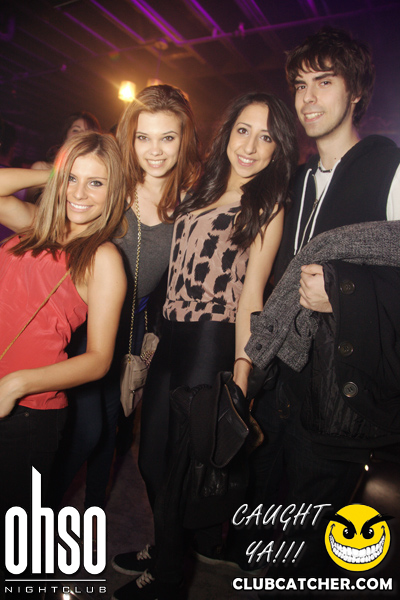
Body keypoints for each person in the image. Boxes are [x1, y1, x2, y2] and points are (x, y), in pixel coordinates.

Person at [111, 91, 298, 600]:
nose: (251, 146)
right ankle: (166, 545)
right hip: (171, 338)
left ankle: (169, 576)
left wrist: (242, 376)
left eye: (266, 137)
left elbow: (252, 296)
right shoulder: (200, 189)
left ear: (278, 148)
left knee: (178, 466)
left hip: (211, 342)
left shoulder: (267, 205)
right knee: (150, 458)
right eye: (243, 130)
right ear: (227, 132)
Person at [241, 27, 400, 580]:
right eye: (300, 85)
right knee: (265, 527)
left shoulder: (388, 166)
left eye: (324, 82)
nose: (307, 98)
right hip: (280, 386)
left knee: (313, 547)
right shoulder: (296, 179)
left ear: (355, 92)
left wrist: (343, 294)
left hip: (342, 399)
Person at [51, 84, 201, 511]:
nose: (154, 150)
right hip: (85, 326)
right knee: (85, 431)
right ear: (129, 138)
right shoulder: (115, 187)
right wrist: (53, 175)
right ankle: (34, 516)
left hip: (132, 331)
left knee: (110, 429)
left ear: (184, 139)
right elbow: (67, 210)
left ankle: (92, 515)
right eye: (143, 137)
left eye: (167, 138)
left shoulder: (190, 202)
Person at [0, 132, 127, 580]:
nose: (80, 193)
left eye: (96, 183)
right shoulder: (34, 226)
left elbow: (99, 359)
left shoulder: (103, 258)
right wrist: (53, 176)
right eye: (73, 178)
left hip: (28, 413)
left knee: (16, 550)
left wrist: (17, 384)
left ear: (114, 192)